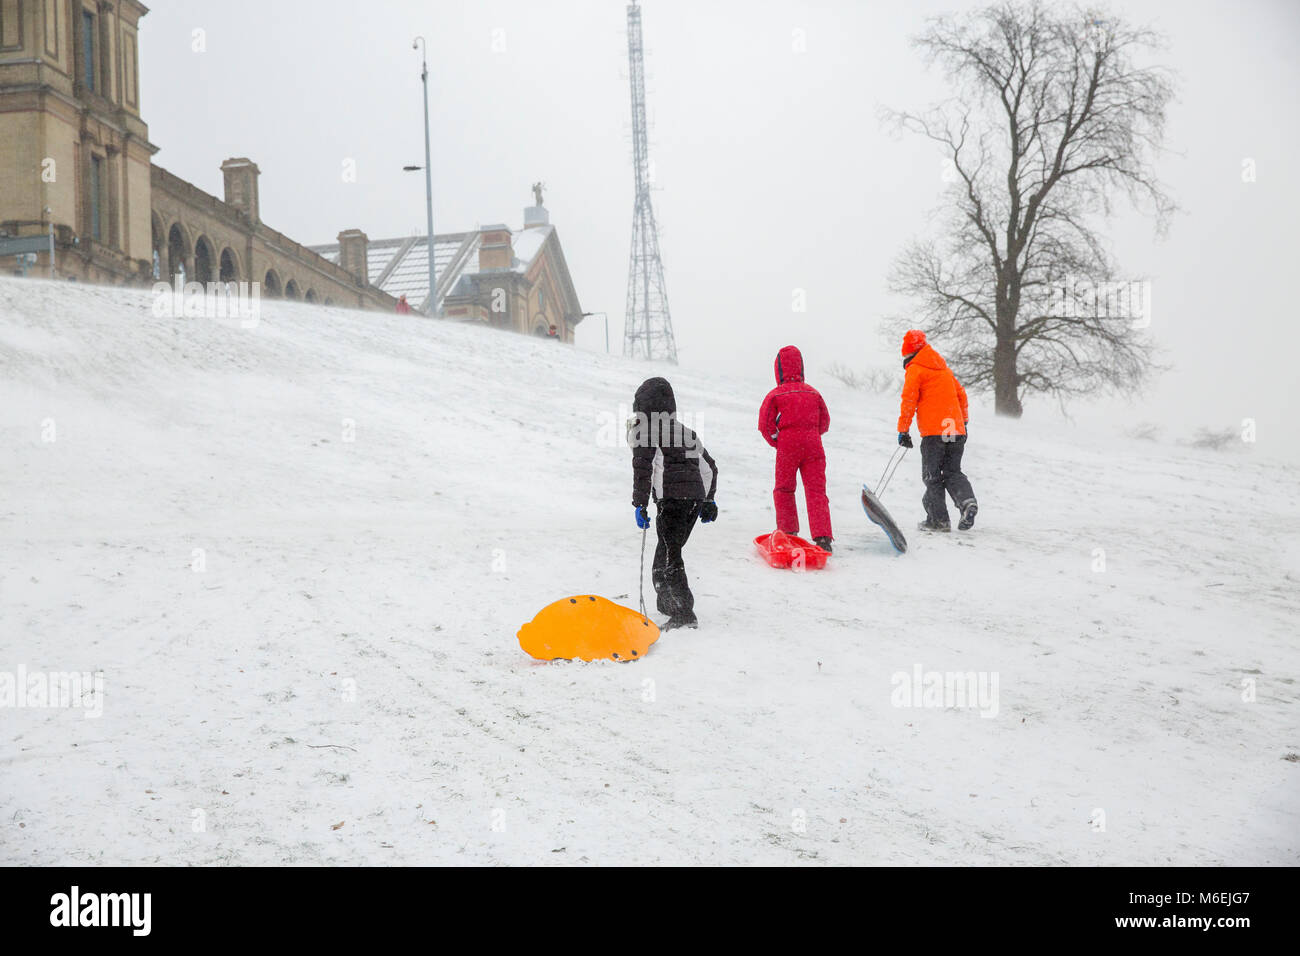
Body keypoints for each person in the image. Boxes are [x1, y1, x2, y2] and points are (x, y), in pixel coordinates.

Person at [629, 377, 718, 631]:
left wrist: (640, 504)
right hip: (693, 502)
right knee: (668, 549)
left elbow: (642, 470)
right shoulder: (686, 432)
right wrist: (708, 500)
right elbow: (709, 468)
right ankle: (668, 602)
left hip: (672, 501)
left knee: (670, 554)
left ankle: (683, 613)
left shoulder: (645, 431)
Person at [896, 329, 978, 532]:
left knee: (932, 476)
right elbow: (962, 395)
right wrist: (963, 422)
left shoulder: (916, 370)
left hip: (934, 433)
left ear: (908, 355)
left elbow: (909, 401)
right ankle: (967, 501)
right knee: (952, 471)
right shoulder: (944, 370)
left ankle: (938, 521)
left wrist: (903, 430)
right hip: (955, 429)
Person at [758, 346, 833, 553]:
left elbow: (765, 426)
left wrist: (779, 442)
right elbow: (825, 422)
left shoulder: (775, 395)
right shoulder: (813, 392)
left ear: (778, 370)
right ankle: (823, 537)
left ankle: (789, 533)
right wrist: (811, 435)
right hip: (813, 446)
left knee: (784, 489)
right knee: (816, 491)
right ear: (801, 367)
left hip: (788, 447)